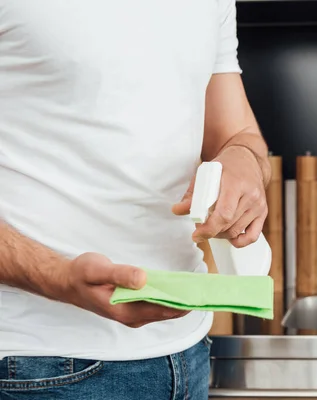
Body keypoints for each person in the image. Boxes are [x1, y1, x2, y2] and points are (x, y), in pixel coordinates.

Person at [0, 1, 271, 399]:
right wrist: (54, 276)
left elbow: (237, 133)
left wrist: (245, 159)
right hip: (38, 363)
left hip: (186, 354)